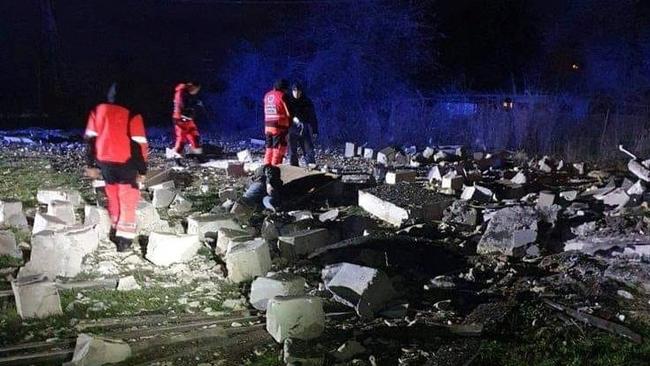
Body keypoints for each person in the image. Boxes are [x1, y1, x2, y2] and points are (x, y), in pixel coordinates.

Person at [84, 81, 148, 252]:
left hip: (105, 162)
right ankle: (124, 240)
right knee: (128, 198)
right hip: (127, 163)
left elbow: (90, 140)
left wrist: (90, 164)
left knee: (112, 195)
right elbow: (140, 145)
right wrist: (142, 170)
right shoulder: (133, 114)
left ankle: (115, 225)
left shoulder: (97, 111)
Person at [287, 82, 318, 166]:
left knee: (308, 149)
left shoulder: (306, 101)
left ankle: (311, 166)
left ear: (301, 92)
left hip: (304, 128)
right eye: (294, 91)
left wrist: (315, 130)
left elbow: (312, 116)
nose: (296, 93)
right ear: (292, 91)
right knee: (292, 151)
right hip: (291, 129)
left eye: (298, 91)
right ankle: (294, 167)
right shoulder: (288, 101)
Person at [170, 81, 203, 158]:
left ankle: (198, 155)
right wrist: (195, 105)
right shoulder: (182, 93)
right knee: (181, 139)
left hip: (188, 119)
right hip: (180, 119)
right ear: (193, 86)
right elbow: (181, 106)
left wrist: (195, 104)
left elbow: (189, 104)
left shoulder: (187, 93)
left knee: (194, 136)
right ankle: (177, 158)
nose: (196, 92)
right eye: (196, 89)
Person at [263, 79, 291, 166]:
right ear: (284, 88)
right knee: (278, 148)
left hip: (267, 125)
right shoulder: (283, 96)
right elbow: (289, 113)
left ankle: (266, 166)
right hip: (279, 126)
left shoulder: (267, 95)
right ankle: (275, 167)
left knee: (269, 147)